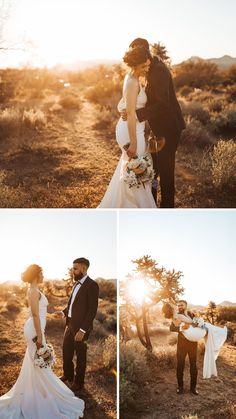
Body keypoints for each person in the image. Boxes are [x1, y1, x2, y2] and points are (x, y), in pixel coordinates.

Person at [0, 264, 84, 418]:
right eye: (42, 273)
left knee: (36, 361)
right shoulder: (32, 291)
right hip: (34, 330)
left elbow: (41, 312)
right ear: (36, 275)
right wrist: (39, 336)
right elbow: (35, 315)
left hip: (36, 329)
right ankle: (37, 396)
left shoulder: (35, 291)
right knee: (40, 360)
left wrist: (53, 315)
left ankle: (36, 391)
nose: (44, 276)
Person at [122, 38, 186, 208]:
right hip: (158, 128)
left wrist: (137, 114)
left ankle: (167, 208)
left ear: (144, 51)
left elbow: (163, 104)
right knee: (153, 170)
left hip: (169, 129)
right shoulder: (151, 66)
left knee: (165, 172)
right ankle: (151, 204)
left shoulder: (158, 71)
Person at [99, 46, 157, 208]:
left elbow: (124, 105)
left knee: (133, 170)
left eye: (148, 65)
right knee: (138, 171)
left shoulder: (131, 77)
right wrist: (133, 142)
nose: (147, 68)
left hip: (132, 129)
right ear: (136, 64)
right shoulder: (132, 82)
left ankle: (122, 205)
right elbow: (131, 114)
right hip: (131, 132)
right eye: (144, 66)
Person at [162, 300, 227, 395]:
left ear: (186, 306)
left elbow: (197, 324)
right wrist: (180, 328)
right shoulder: (176, 315)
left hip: (193, 344)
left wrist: (199, 324)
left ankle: (193, 387)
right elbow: (171, 328)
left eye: (182, 305)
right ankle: (180, 387)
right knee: (180, 366)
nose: (180, 306)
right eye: (178, 305)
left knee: (193, 366)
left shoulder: (192, 314)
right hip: (182, 345)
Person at [54, 257, 99, 394]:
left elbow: (92, 311)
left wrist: (83, 329)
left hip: (81, 328)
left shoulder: (92, 285)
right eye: (72, 268)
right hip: (69, 325)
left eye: (75, 268)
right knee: (66, 353)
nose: (73, 271)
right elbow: (71, 306)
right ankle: (68, 375)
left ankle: (79, 383)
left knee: (80, 356)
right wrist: (62, 313)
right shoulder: (75, 285)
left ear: (84, 268)